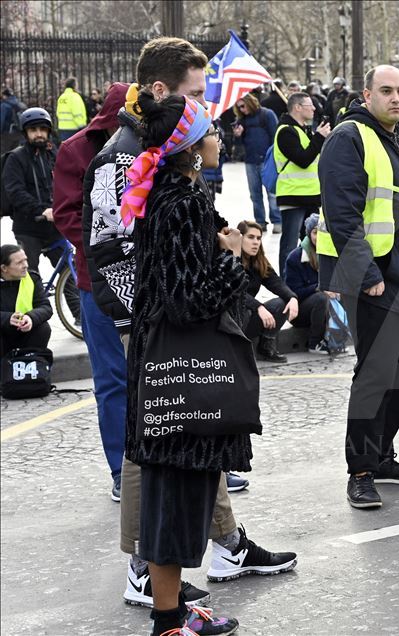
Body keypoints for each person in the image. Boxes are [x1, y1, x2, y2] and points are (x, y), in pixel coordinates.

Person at [82, 36, 297, 614]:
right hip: (156, 326)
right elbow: (111, 246)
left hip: (174, 320)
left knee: (193, 451)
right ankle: (148, 574)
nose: (213, 111)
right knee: (159, 455)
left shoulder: (174, 172)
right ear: (163, 95)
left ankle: (221, 547)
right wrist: (147, 318)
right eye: (200, 97)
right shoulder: (126, 155)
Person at [121, 91, 244, 636]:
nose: (219, 138)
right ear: (191, 148)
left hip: (160, 358)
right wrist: (232, 259)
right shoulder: (184, 201)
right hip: (181, 365)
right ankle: (168, 620)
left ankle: (169, 612)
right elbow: (187, 299)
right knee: (174, 492)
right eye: (211, 131)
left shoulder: (167, 193)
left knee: (171, 488)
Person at [317, 64, 399, 509]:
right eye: (386, 91)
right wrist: (365, 274)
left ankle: (382, 455)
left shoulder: (398, 138)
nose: (396, 98)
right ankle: (361, 470)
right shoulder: (349, 138)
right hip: (378, 280)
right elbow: (342, 213)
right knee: (374, 375)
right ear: (366, 94)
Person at [52, 81, 129, 501]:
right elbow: (67, 217)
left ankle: (186, 460)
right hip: (97, 280)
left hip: (145, 280)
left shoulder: (154, 143)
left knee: (167, 373)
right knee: (114, 381)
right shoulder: (76, 150)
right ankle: (121, 469)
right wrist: (117, 244)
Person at [274, 92, 331, 276]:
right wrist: (319, 137)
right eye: (310, 105)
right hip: (293, 194)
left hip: (311, 195)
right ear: (297, 107)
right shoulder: (285, 131)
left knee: (313, 241)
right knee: (290, 243)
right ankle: (286, 283)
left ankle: (310, 278)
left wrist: (321, 138)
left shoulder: (303, 130)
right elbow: (303, 159)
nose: (314, 108)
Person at [2, 108, 65, 273]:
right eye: (33, 130)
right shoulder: (16, 158)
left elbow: (65, 183)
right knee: (30, 277)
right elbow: (15, 192)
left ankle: (73, 300)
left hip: (55, 227)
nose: (39, 134)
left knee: (70, 276)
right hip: (28, 228)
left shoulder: (52, 154)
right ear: (25, 133)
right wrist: (42, 209)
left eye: (43, 129)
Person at [237, 220, 298, 363]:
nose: (256, 242)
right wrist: (259, 306)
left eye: (258, 238)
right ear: (240, 238)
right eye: (250, 237)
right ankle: (238, 351)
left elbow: (276, 283)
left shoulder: (259, 261)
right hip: (232, 316)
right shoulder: (230, 259)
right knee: (243, 310)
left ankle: (266, 346)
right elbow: (236, 292)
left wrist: (292, 298)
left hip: (250, 314)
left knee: (282, 304)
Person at [233, 93, 281, 233]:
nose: (241, 109)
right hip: (250, 161)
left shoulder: (267, 114)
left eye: (243, 106)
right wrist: (237, 136)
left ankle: (277, 220)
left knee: (271, 192)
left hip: (267, 160)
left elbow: (275, 137)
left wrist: (274, 159)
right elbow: (239, 145)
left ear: (250, 102)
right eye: (238, 107)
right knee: (255, 194)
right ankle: (260, 221)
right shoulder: (241, 120)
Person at [284, 213, 331, 352]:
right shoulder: (296, 257)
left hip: (325, 308)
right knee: (321, 297)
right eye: (316, 233)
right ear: (309, 234)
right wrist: (319, 287)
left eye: (323, 232)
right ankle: (314, 343)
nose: (319, 237)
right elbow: (293, 292)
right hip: (300, 311)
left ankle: (335, 337)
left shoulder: (331, 255)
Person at [0, 244, 52, 357]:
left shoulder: (32, 278)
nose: (26, 265)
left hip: (24, 332)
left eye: (25, 260)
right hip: (3, 335)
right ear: (4, 268)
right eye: (19, 263)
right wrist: (8, 319)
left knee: (43, 328)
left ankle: (30, 365)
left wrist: (30, 318)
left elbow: (45, 307)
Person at [56, 77, 88, 141]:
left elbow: (58, 113)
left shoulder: (61, 97)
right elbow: (77, 114)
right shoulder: (75, 96)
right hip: (74, 130)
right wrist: (82, 127)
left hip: (62, 129)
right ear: (74, 86)